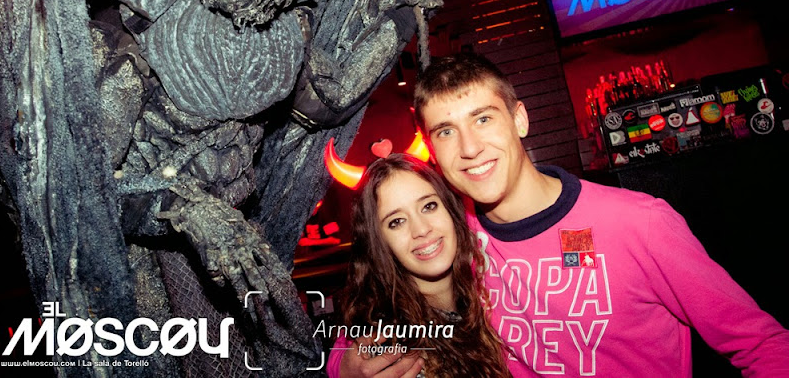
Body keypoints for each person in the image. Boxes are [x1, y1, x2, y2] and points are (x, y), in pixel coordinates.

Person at [333, 52, 789, 377]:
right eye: (446, 131)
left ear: (520, 119)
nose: (469, 148)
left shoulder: (639, 223)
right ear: (433, 149)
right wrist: (344, 368)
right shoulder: (451, 233)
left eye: (483, 118)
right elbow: (374, 302)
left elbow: (764, 346)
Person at [329, 153, 512, 378]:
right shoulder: (394, 349)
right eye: (396, 222)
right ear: (380, 243)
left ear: (451, 209)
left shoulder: (496, 284)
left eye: (429, 206)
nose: (421, 230)